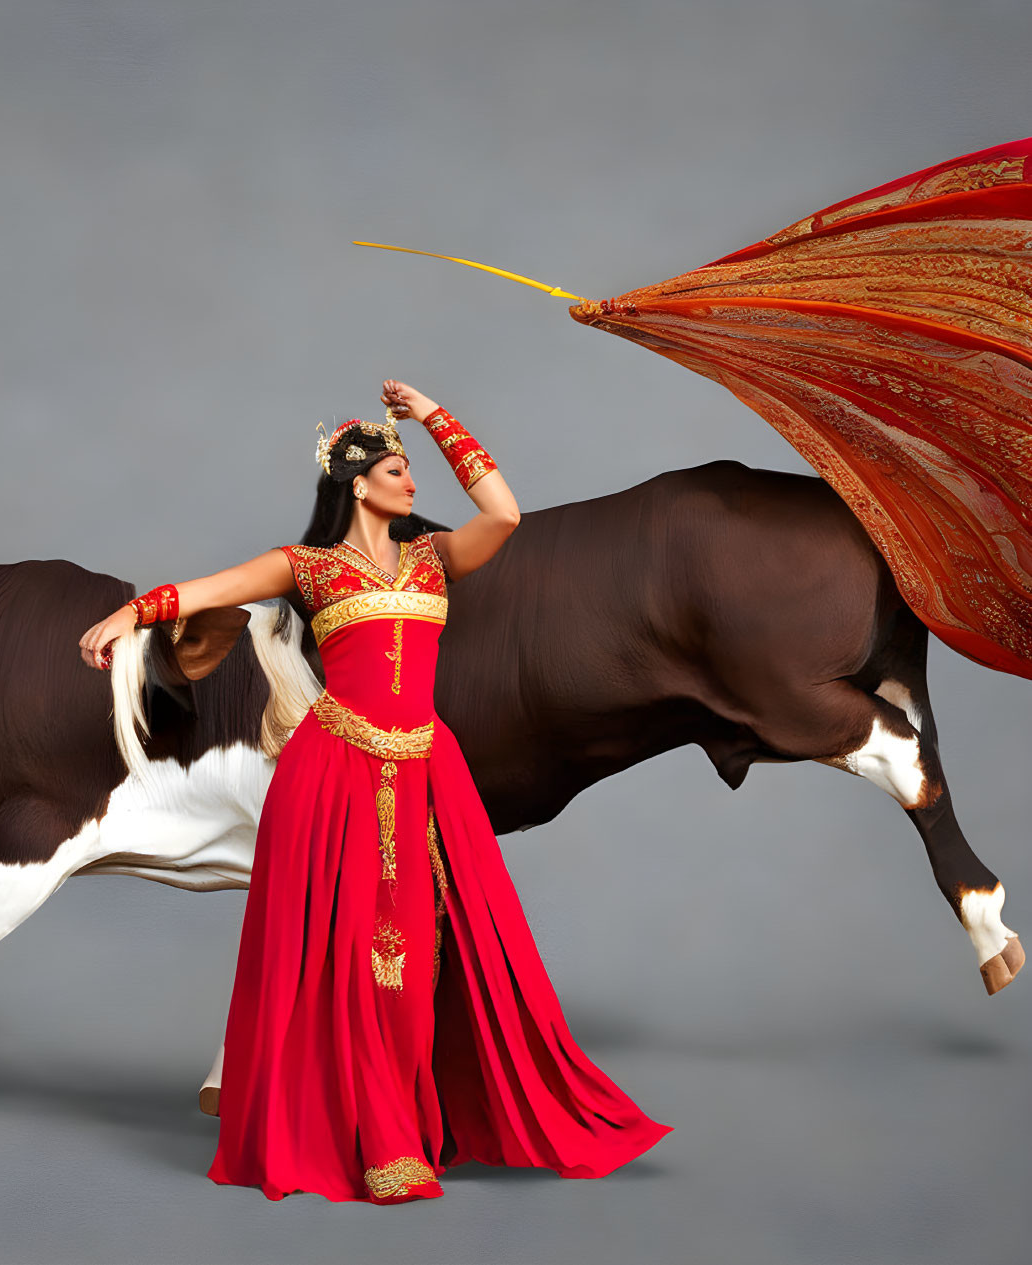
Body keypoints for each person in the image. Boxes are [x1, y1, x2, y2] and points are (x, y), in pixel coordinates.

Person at [78, 380, 670, 1204]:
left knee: (439, 949)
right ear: (358, 483)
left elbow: (503, 514)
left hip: (429, 770)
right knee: (353, 952)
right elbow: (210, 590)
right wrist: (131, 614)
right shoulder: (308, 568)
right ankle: (375, 1138)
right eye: (399, 469)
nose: (414, 482)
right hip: (334, 774)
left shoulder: (433, 558)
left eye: (413, 469)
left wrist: (434, 418)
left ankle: (419, 1122)